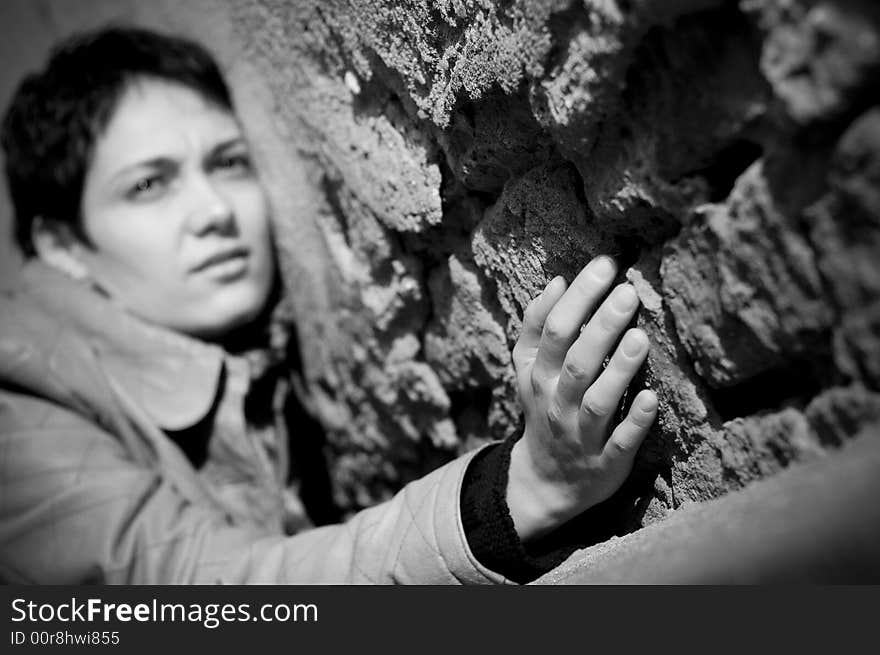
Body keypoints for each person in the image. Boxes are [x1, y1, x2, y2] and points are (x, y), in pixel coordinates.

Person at [0, 26, 658, 584]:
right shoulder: (15, 412)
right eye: (148, 185)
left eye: (229, 162)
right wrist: (518, 491)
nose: (214, 212)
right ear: (61, 244)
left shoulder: (249, 353)